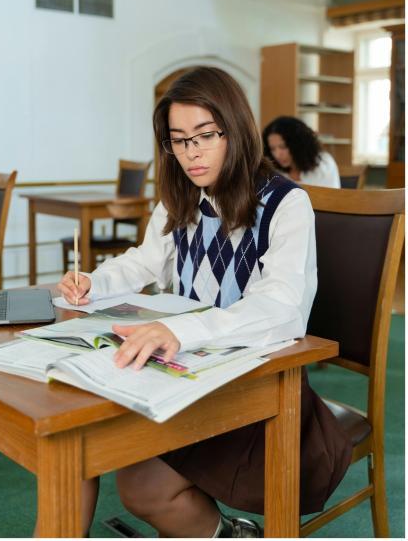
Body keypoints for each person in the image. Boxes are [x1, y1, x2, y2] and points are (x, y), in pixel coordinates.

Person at [58, 67, 351, 538]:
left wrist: (180, 331)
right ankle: (224, 531)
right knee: (93, 443)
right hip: (193, 374)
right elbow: (142, 262)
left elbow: (281, 308)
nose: (191, 153)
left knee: (139, 483)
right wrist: (95, 281)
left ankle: (226, 531)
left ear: (234, 129)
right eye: (178, 140)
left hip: (262, 386)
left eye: (205, 136)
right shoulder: (181, 197)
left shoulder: (285, 203)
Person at [262, 116, 341, 187]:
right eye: (272, 149)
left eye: (283, 147)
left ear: (298, 144)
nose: (277, 155)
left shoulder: (324, 163)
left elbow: (332, 199)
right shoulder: (273, 170)